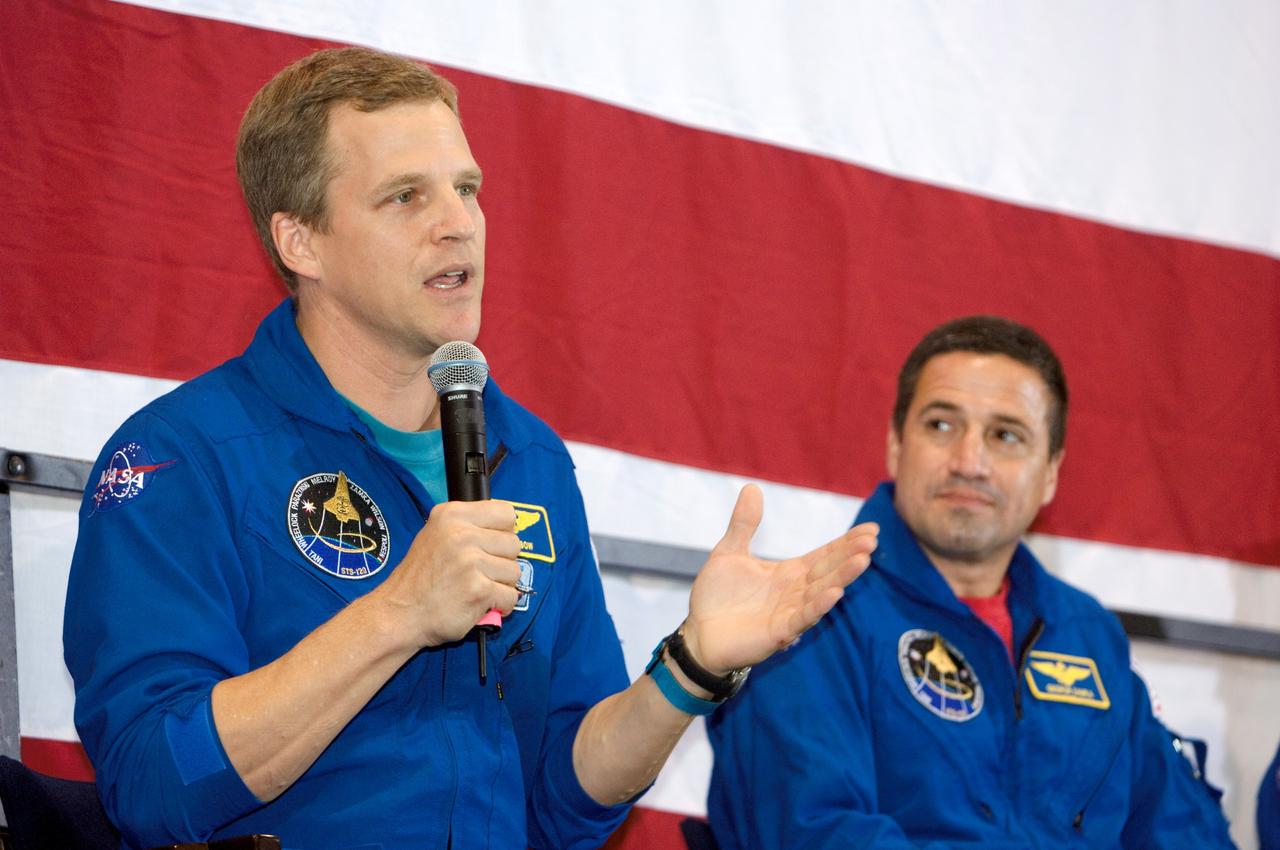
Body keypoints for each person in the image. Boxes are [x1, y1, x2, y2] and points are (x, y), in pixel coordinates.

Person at [62, 47, 879, 850]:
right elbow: (150, 786)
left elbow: (561, 801)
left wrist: (693, 669)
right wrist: (396, 615)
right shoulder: (181, 458)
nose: (458, 223)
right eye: (405, 197)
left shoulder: (530, 457)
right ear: (300, 242)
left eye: (466, 189)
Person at [707, 315, 1236, 849]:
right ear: (895, 444)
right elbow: (814, 832)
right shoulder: (812, 614)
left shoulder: (1088, 635)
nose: (969, 462)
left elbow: (1185, 831)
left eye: (1006, 435)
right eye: (941, 425)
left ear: (1051, 472)